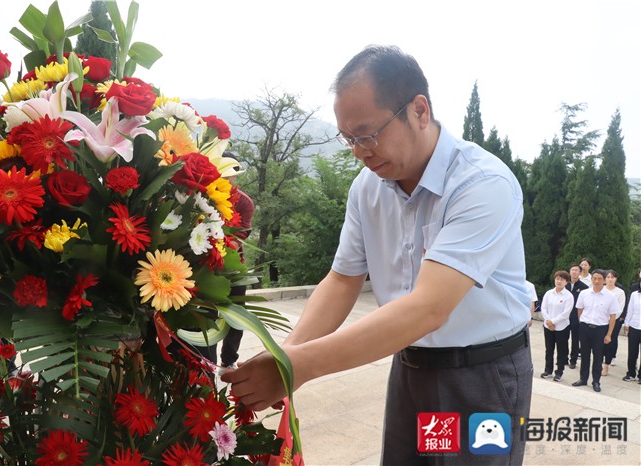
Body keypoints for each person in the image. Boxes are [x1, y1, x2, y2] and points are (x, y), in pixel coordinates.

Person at [222, 45, 533, 465]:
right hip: (412, 368)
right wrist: (286, 356)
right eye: (348, 138)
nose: (359, 151)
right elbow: (342, 280)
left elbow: (428, 308)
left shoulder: (481, 184)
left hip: (481, 376)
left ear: (419, 110)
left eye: (368, 134)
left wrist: (299, 365)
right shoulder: (368, 188)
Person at [218, 152, 255, 369]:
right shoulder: (202, 195)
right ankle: (204, 361)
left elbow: (238, 239)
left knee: (237, 317)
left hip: (233, 267)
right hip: (203, 266)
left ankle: (228, 360)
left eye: (230, 173)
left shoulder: (244, 202)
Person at [572, 269, 620, 392]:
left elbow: (613, 316)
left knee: (598, 357)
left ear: (604, 280)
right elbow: (579, 310)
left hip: (600, 329)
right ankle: (583, 378)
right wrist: (582, 322)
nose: (597, 281)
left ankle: (596, 381)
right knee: (584, 355)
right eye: (594, 278)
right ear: (591, 279)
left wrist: (609, 334)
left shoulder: (611, 296)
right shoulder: (584, 293)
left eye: (599, 279)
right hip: (585, 327)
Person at [539, 271, 573, 382]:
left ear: (566, 282)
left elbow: (566, 313)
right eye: (557, 279)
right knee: (549, 349)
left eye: (562, 280)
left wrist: (553, 321)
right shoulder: (549, 293)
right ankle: (548, 370)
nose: (559, 281)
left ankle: (559, 372)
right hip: (548, 326)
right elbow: (543, 308)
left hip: (562, 327)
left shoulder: (568, 296)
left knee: (561, 350)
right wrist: (548, 322)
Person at [602, 269, 625, 375]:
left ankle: (606, 365)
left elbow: (619, 309)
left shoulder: (620, 292)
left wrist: (610, 319)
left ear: (616, 279)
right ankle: (598, 363)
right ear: (605, 279)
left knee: (610, 342)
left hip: (613, 322)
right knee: (599, 342)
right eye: (608, 277)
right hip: (600, 321)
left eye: (612, 277)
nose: (610, 279)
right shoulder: (601, 289)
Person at [565, 263, 588, 369]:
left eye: (576, 270)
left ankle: (573, 360)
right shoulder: (565, 285)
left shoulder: (584, 287)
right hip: (564, 316)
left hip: (576, 317)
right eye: (572, 270)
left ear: (580, 273)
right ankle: (563, 358)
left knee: (575, 339)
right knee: (563, 338)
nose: (574, 272)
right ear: (569, 272)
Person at [622, 288, 641, 383]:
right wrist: (626, 323)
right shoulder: (635, 295)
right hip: (634, 326)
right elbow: (630, 310)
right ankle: (631, 373)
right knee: (632, 352)